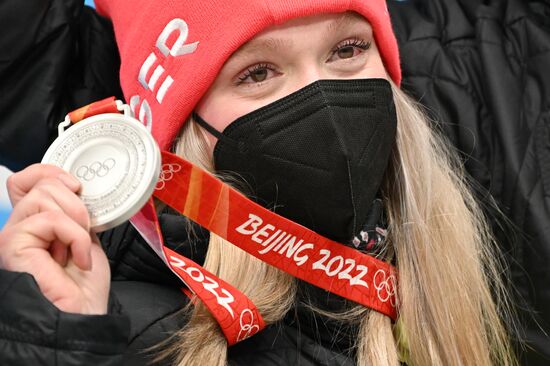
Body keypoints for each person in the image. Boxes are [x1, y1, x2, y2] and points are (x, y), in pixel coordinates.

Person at [0, 0, 523, 365]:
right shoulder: (123, 334)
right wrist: (56, 345)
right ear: (179, 128)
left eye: (347, 49)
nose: (320, 97)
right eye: (256, 73)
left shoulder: (463, 250)